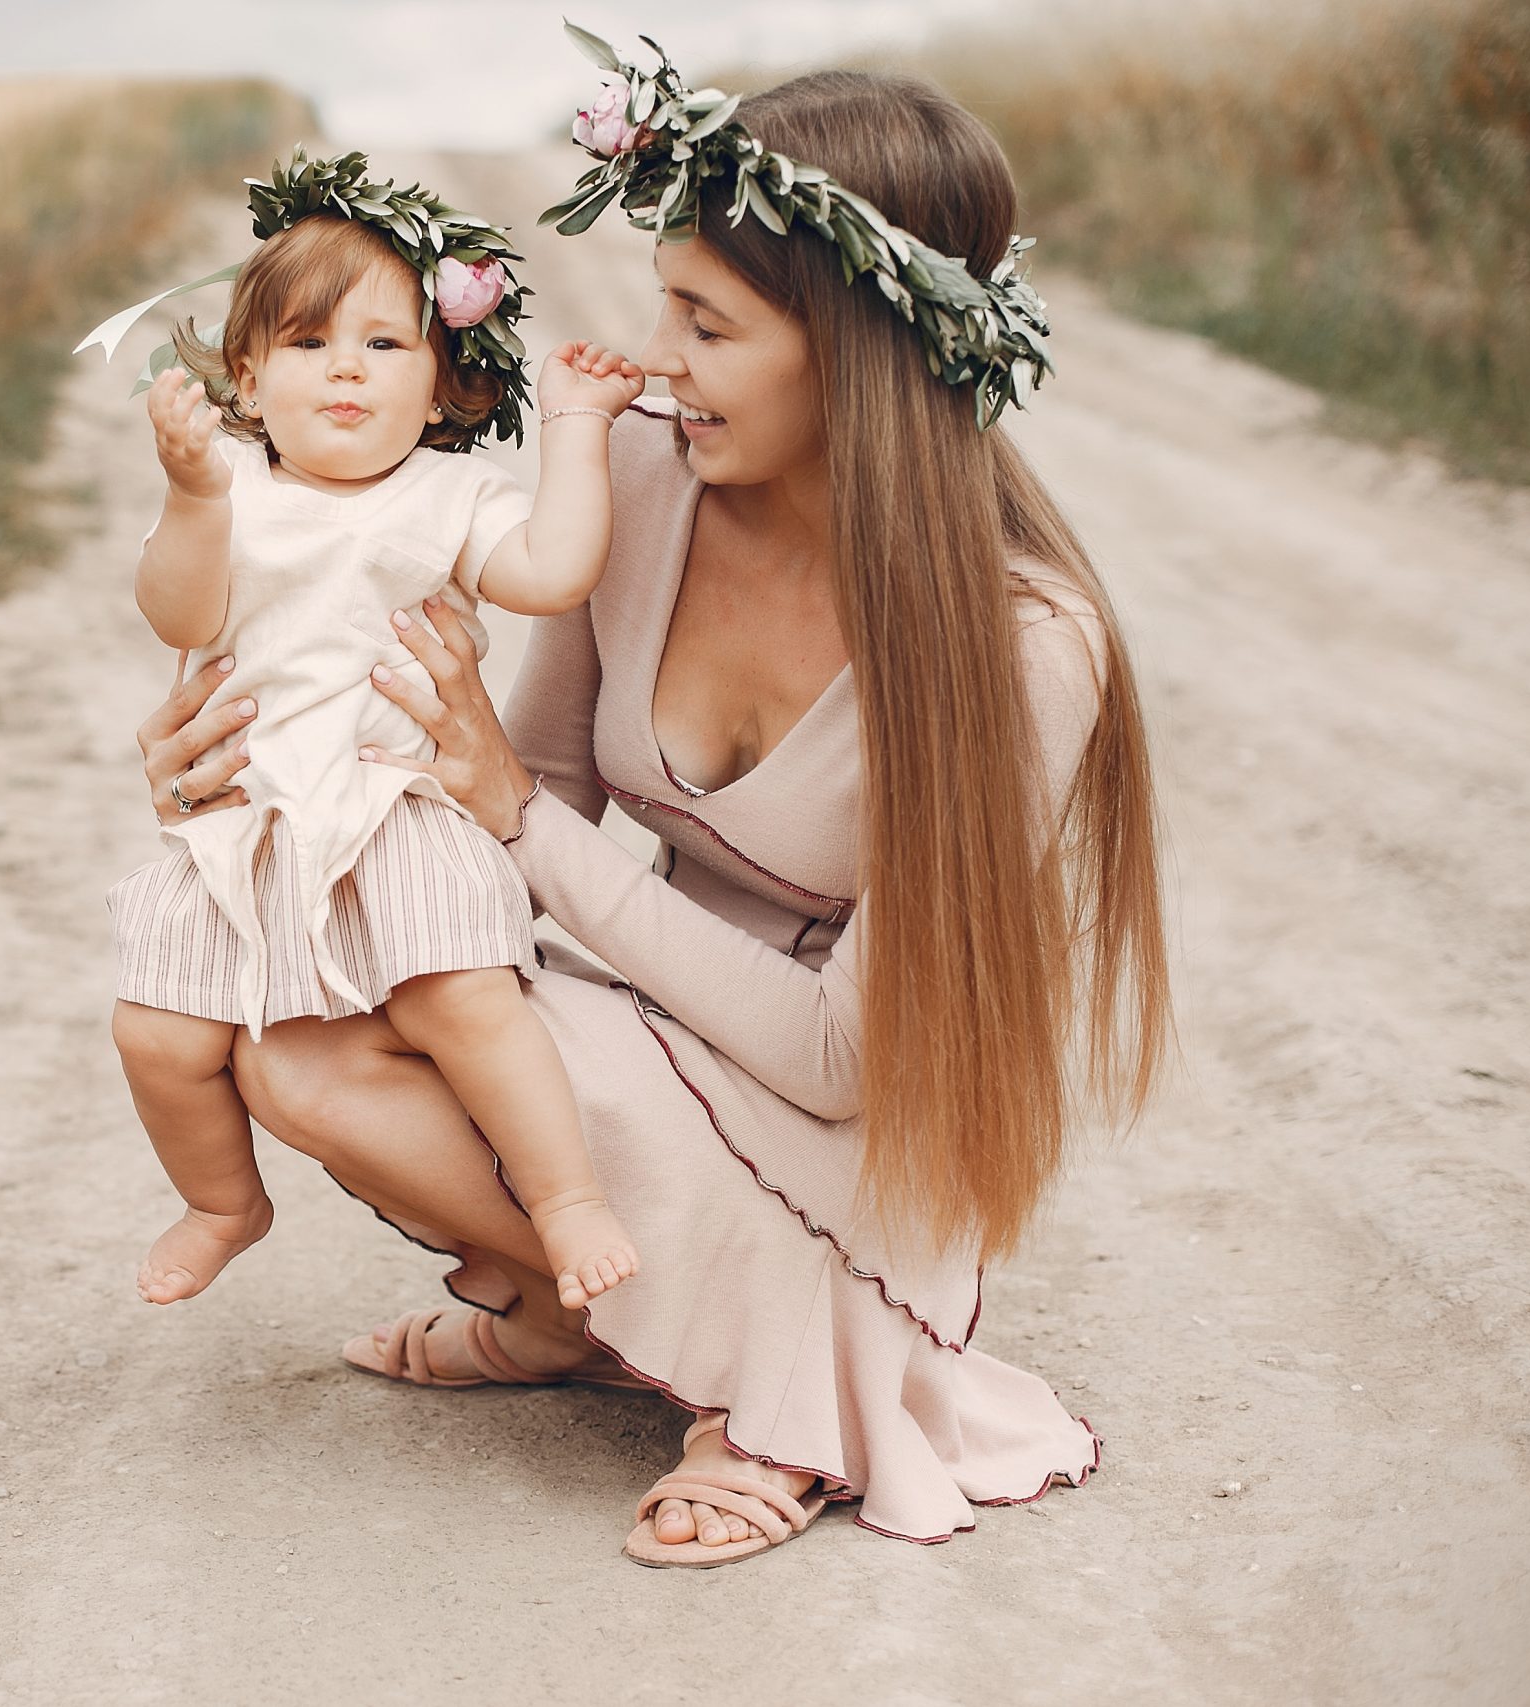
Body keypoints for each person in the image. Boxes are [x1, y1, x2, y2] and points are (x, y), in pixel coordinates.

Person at [132, 52, 1171, 1566]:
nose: (655, 357)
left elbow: (836, 1053)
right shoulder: (640, 475)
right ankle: (572, 1303)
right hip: (644, 1011)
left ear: (859, 346)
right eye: (662, 301)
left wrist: (519, 827)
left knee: (415, 1031)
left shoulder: (1022, 643)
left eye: (706, 322)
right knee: (293, 1044)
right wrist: (240, 792)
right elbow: (518, 771)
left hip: (848, 1108)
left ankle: (773, 1395)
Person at [100, 152, 649, 1313]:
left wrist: (581, 428)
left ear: (446, 385)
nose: (345, 367)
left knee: (462, 1002)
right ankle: (222, 1201)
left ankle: (563, 1200)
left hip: (394, 803)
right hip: (251, 820)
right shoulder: (233, 489)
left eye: (385, 344)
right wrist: (191, 495)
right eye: (307, 345)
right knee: (155, 1030)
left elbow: (552, 575)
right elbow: (179, 613)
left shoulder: (449, 497)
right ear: (246, 380)